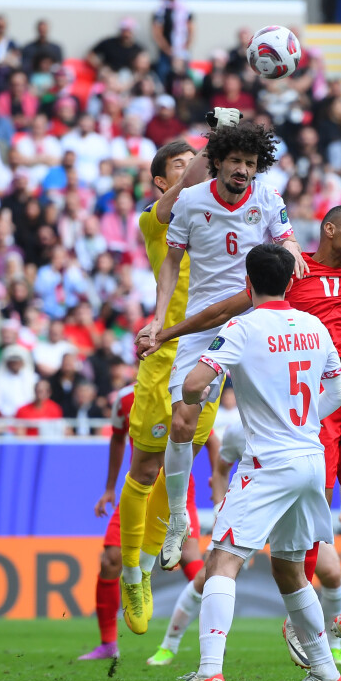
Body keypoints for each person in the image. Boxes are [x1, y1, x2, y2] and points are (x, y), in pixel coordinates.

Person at [143, 205, 341, 670]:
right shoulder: (293, 272)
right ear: (329, 229)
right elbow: (229, 307)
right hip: (315, 406)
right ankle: (299, 623)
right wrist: (169, 332)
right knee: (307, 523)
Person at [162, 243, 341, 681]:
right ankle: (325, 671)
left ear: (247, 283)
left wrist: (195, 396)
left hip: (268, 463)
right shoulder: (314, 325)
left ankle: (209, 672)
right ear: (291, 282)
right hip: (310, 462)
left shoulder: (241, 327)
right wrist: (299, 420)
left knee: (221, 562)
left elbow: (191, 385)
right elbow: (338, 393)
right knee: (289, 570)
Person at [143, 117, 306, 577]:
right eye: (235, 160)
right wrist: (159, 320)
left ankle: (278, 518)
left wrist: (292, 248)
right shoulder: (191, 202)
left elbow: (288, 238)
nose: (243, 170)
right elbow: (171, 266)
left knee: (277, 421)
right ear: (217, 162)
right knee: (182, 418)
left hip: (257, 322)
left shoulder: (268, 198)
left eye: (250, 163)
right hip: (202, 327)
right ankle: (179, 519)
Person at [112, 134, 232, 636]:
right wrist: (211, 146)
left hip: (209, 357)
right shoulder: (153, 220)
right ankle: (133, 572)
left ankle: (164, 532)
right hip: (164, 353)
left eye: (200, 162)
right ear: (162, 180)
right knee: (144, 464)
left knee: (181, 456)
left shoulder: (220, 214)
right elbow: (176, 195)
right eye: (183, 166)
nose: (197, 170)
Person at [80, 383, 210, 661]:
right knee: (109, 561)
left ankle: (211, 637)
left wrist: (218, 488)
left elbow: (211, 440)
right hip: (139, 488)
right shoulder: (126, 398)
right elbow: (116, 439)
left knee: (191, 561)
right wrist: (108, 488)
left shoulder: (190, 387)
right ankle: (108, 644)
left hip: (175, 488)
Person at [152, 0, 195, 81]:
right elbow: (156, 31)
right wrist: (166, 48)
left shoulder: (185, 8)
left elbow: (191, 28)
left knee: (184, 76)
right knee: (163, 74)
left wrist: (186, 46)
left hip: (181, 49)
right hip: (166, 51)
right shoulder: (161, 9)